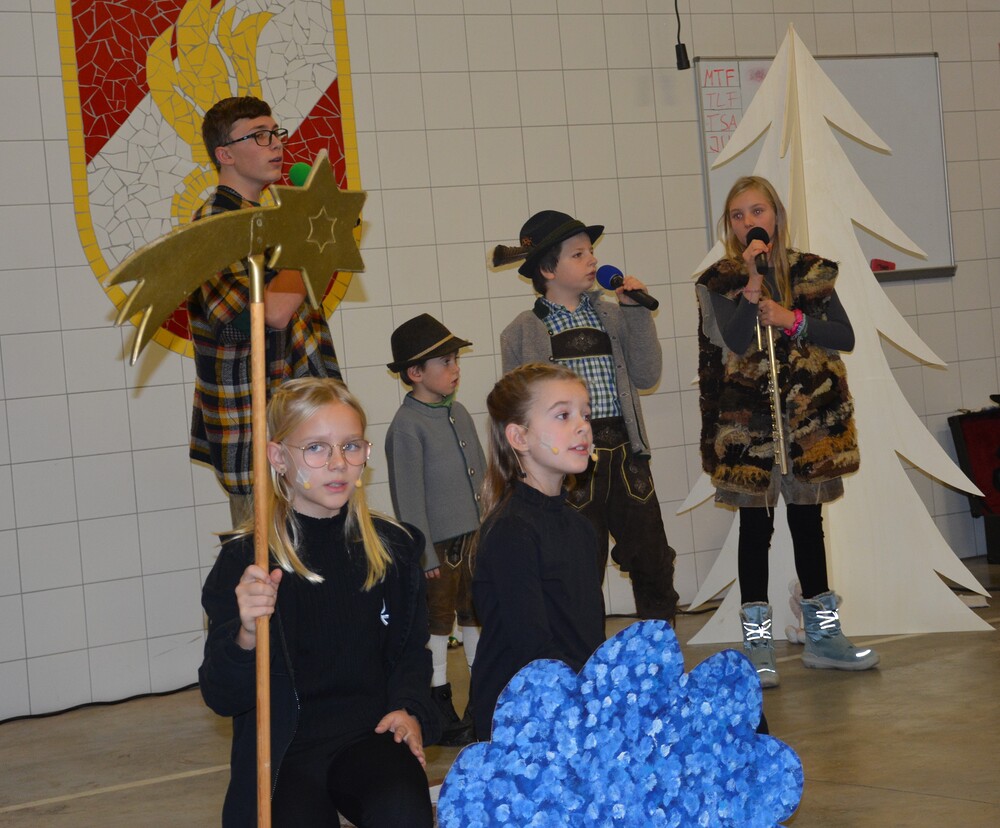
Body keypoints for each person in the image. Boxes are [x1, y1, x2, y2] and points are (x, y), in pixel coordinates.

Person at [198, 377, 438, 827]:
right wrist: (246, 635)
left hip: (369, 735)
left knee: (404, 808)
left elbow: (410, 651)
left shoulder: (392, 548)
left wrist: (409, 709)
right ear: (278, 458)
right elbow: (221, 695)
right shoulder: (246, 562)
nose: (338, 463)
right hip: (285, 753)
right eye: (316, 448)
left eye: (351, 446)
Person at [695, 175, 879, 689]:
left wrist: (791, 318)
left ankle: (824, 637)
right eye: (737, 215)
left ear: (775, 215)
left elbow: (844, 335)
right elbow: (734, 341)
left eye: (757, 211)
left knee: (807, 525)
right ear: (730, 227)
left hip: (809, 426)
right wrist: (751, 284)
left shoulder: (810, 272)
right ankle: (758, 645)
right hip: (748, 431)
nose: (748, 222)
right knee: (755, 531)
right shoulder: (719, 281)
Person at [492, 211, 678, 621]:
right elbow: (516, 410)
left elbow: (647, 375)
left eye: (590, 251)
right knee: (576, 568)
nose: (592, 260)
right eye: (578, 254)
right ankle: (581, 653)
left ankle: (659, 649)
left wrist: (637, 313)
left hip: (626, 454)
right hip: (570, 464)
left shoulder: (613, 315)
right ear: (547, 270)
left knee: (653, 558)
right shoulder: (521, 331)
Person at [189, 96, 341, 527]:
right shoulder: (214, 224)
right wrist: (312, 236)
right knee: (270, 558)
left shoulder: (273, 217)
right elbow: (268, 313)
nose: (275, 143)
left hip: (303, 419)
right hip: (256, 430)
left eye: (276, 133)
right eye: (259, 136)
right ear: (225, 154)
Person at [470, 363, 607, 740]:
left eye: (586, 415)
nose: (583, 427)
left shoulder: (581, 527)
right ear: (519, 437)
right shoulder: (512, 531)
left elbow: (587, 636)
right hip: (522, 718)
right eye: (563, 415)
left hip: (574, 701)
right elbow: (533, 650)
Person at [385, 314, 486, 747]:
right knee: (438, 624)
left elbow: (482, 473)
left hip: (474, 538)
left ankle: (482, 697)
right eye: (445, 362)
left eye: (456, 359)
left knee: (475, 614)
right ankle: (438, 702)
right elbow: (408, 501)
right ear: (415, 372)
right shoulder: (406, 427)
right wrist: (423, 554)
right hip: (438, 548)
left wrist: (490, 525)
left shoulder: (458, 412)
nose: (455, 368)